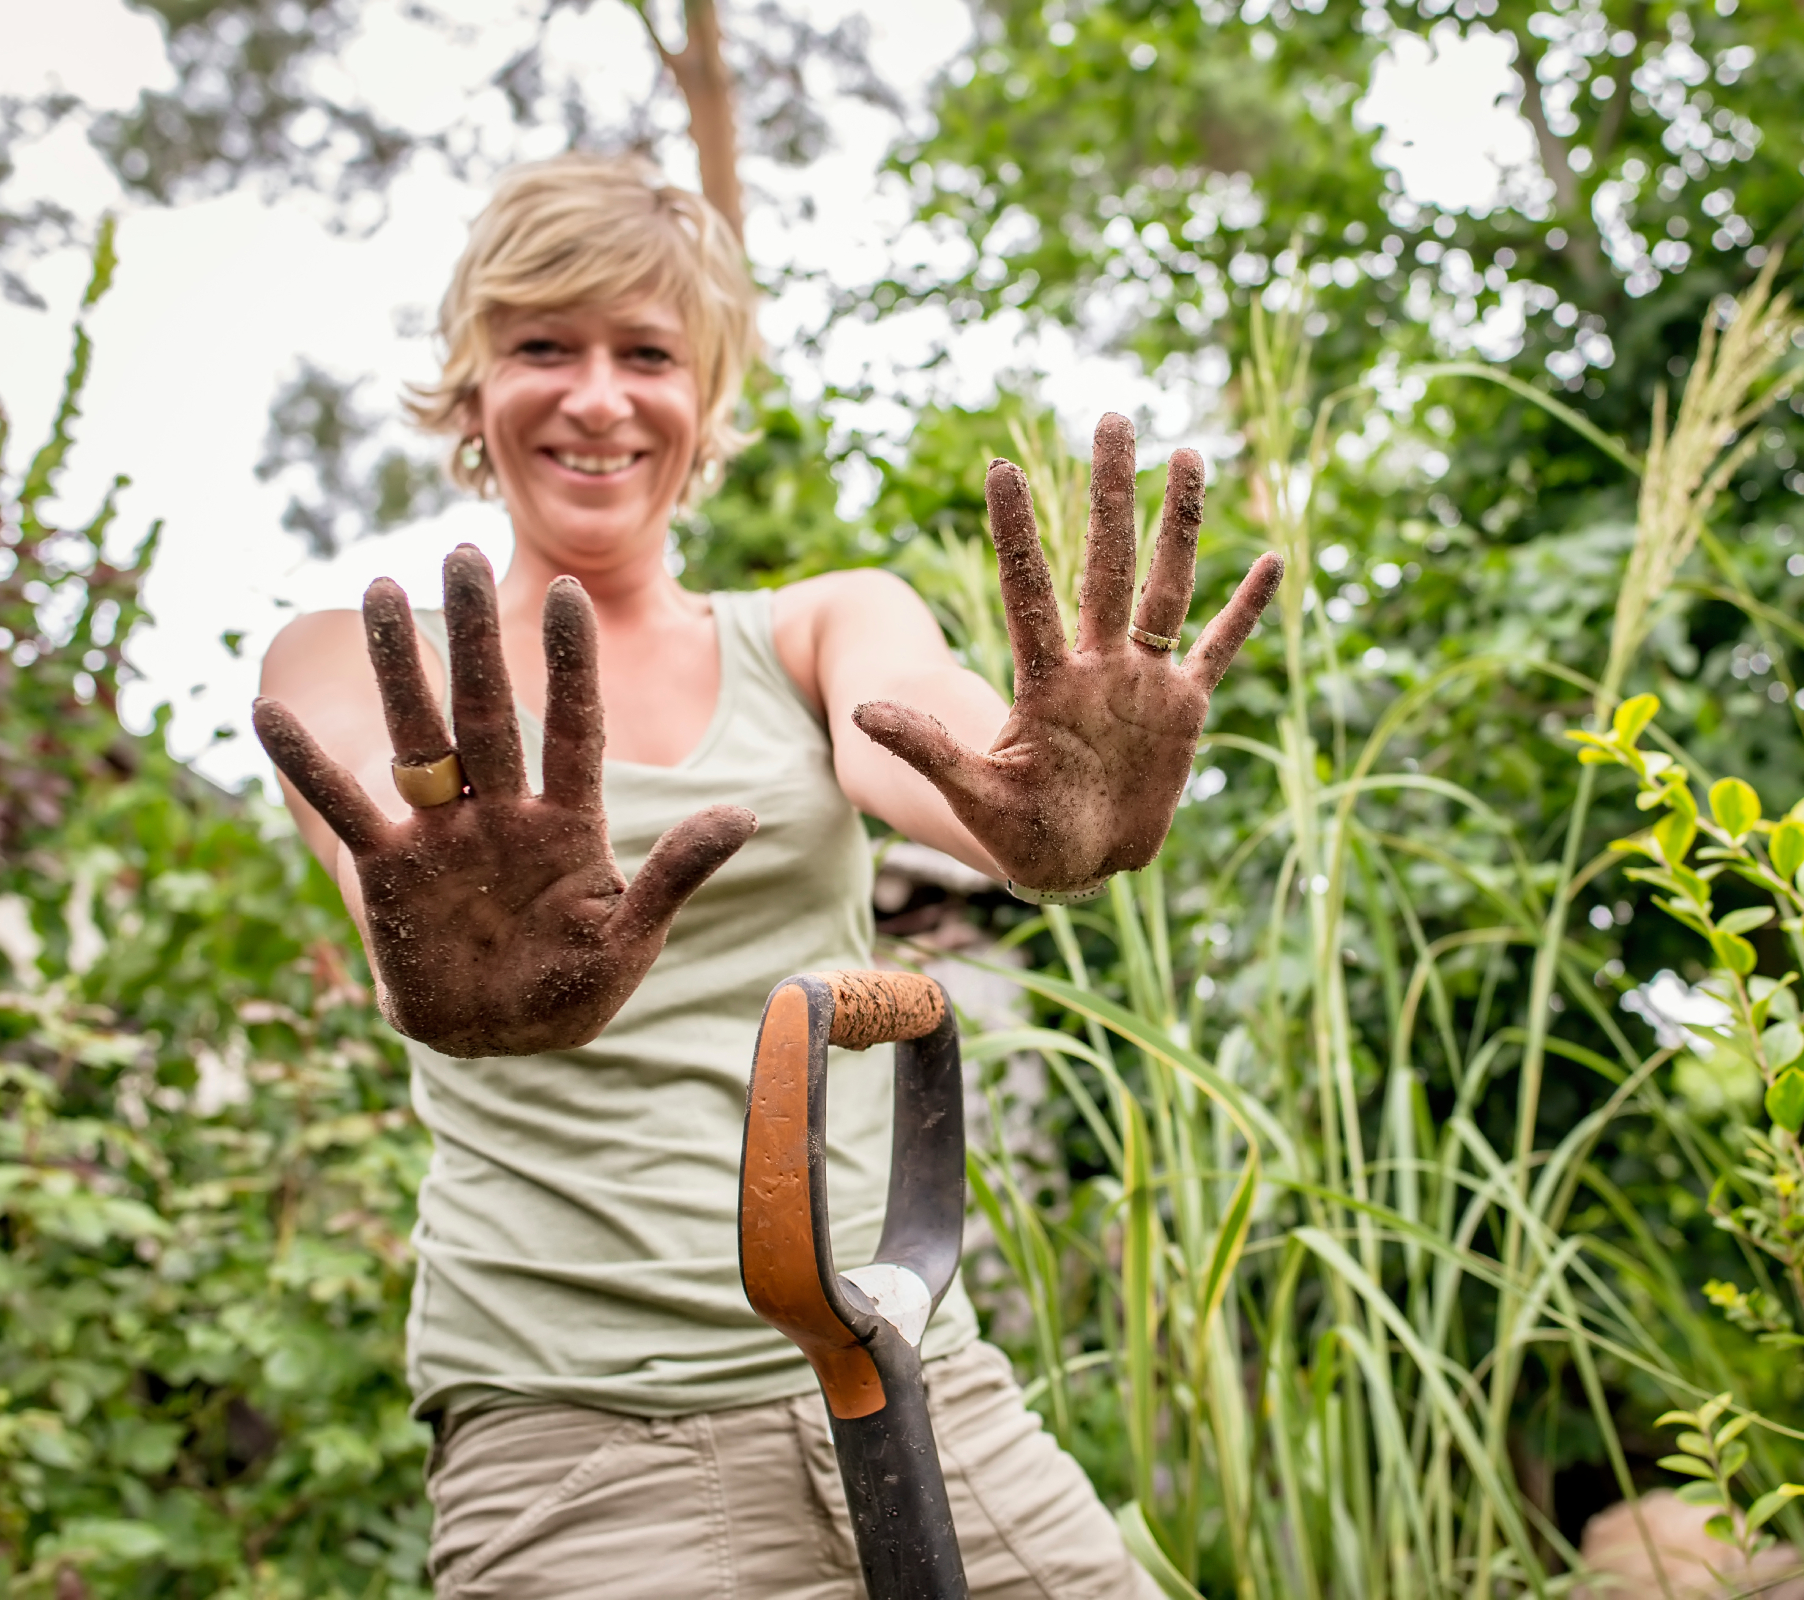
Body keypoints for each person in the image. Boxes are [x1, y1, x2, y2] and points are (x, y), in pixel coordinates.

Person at [255, 153, 1280, 1600]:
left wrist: (1043, 811)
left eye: (648, 353)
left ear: (709, 393)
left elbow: (944, 753)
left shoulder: (817, 626)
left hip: (910, 1380)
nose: (598, 395)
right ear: (471, 387)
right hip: (578, 1453)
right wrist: (453, 962)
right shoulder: (367, 663)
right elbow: (394, 899)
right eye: (543, 345)